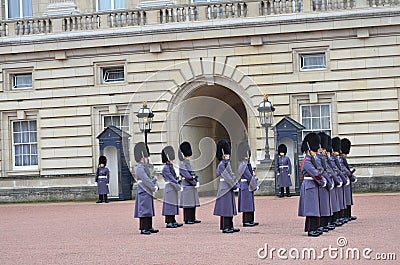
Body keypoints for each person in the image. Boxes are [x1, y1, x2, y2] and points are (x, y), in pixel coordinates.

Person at [298, 133, 327, 237]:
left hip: (313, 185)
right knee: (311, 209)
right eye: (314, 150)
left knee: (315, 208)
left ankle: (315, 227)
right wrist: (323, 181)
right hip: (309, 185)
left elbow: (319, 170)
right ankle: (311, 229)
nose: (315, 152)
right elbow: (315, 173)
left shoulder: (311, 160)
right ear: (308, 150)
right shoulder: (306, 162)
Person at [213, 139, 240, 233]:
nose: (228, 156)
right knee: (225, 209)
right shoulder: (221, 165)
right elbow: (227, 177)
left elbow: (231, 174)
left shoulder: (227, 164)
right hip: (225, 188)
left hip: (228, 188)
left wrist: (236, 183)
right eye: (227, 154)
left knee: (229, 208)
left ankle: (230, 225)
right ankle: (225, 227)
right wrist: (234, 185)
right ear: (223, 155)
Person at [133, 142, 159, 235]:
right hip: (143, 190)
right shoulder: (139, 168)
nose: (147, 159)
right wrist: (153, 187)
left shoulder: (145, 167)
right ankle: (143, 227)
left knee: (149, 208)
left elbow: (151, 177)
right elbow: (145, 179)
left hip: (147, 190)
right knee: (144, 209)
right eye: (146, 157)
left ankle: (149, 226)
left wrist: (155, 183)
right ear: (142, 157)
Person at [237, 140, 259, 227]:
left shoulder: (245, 164)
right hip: (246, 186)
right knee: (246, 204)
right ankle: (246, 221)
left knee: (249, 204)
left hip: (248, 186)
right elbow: (248, 176)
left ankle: (250, 220)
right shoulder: (243, 165)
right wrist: (255, 186)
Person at [178, 142, 201, 224]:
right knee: (187, 204)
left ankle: (192, 217)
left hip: (191, 185)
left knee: (192, 203)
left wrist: (197, 180)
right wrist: (194, 182)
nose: (188, 158)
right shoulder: (182, 164)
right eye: (187, 156)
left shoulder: (188, 164)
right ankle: (187, 219)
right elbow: (187, 175)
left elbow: (193, 173)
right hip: (187, 185)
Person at [161, 146, 183, 228]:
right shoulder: (166, 168)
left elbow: (174, 177)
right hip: (170, 188)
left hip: (172, 188)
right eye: (171, 159)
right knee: (169, 205)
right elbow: (171, 178)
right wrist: (178, 185)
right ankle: (168, 221)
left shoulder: (170, 167)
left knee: (173, 205)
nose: (172, 161)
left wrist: (179, 181)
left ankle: (173, 220)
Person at [340, 138, 358, 221]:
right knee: (345, 199)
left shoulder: (342, 158)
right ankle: (345, 216)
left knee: (348, 198)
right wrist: (350, 175)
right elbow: (343, 169)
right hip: (343, 180)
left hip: (346, 180)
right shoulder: (340, 159)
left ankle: (348, 215)